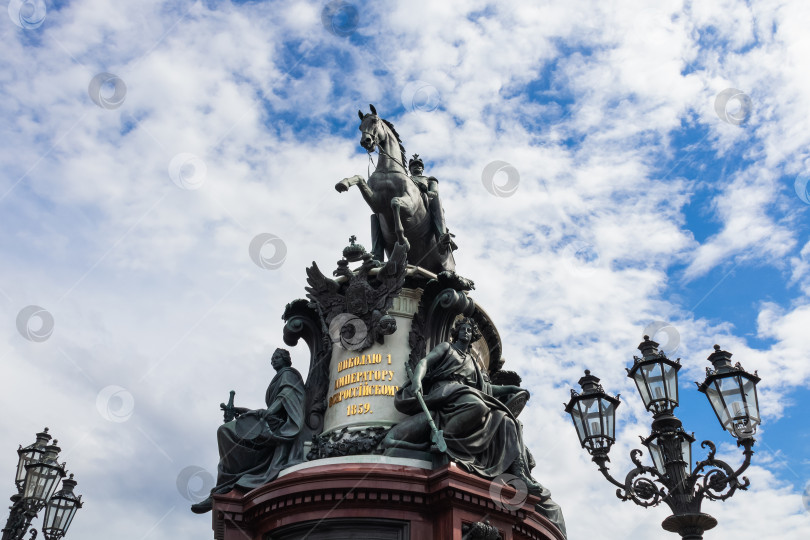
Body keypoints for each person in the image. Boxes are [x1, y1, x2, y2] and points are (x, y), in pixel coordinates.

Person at [381, 318, 567, 537]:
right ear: (456, 332)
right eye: (464, 329)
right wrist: (418, 381)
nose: (467, 333)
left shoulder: (471, 361)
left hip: (467, 394)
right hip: (448, 391)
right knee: (477, 405)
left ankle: (519, 475)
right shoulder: (446, 348)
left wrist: (511, 389)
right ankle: (445, 440)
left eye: (470, 330)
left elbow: (486, 388)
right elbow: (424, 363)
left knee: (508, 420)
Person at [191, 348, 305, 513]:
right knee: (225, 432)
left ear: (286, 359)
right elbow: (269, 408)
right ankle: (223, 488)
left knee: (225, 432)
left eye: (277, 357)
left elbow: (286, 396)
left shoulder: (289, 374)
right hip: (270, 422)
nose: (273, 360)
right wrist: (243, 411)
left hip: (280, 427)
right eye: (272, 358)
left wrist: (269, 412)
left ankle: (224, 488)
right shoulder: (279, 377)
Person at [408, 154, 457, 252]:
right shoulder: (406, 180)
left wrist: (424, 190)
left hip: (427, 203)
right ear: (410, 169)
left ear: (422, 169)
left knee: (437, 201)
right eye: (414, 166)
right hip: (409, 202)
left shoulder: (429, 179)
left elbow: (434, 194)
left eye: (419, 165)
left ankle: (442, 236)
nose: (417, 167)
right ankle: (377, 251)